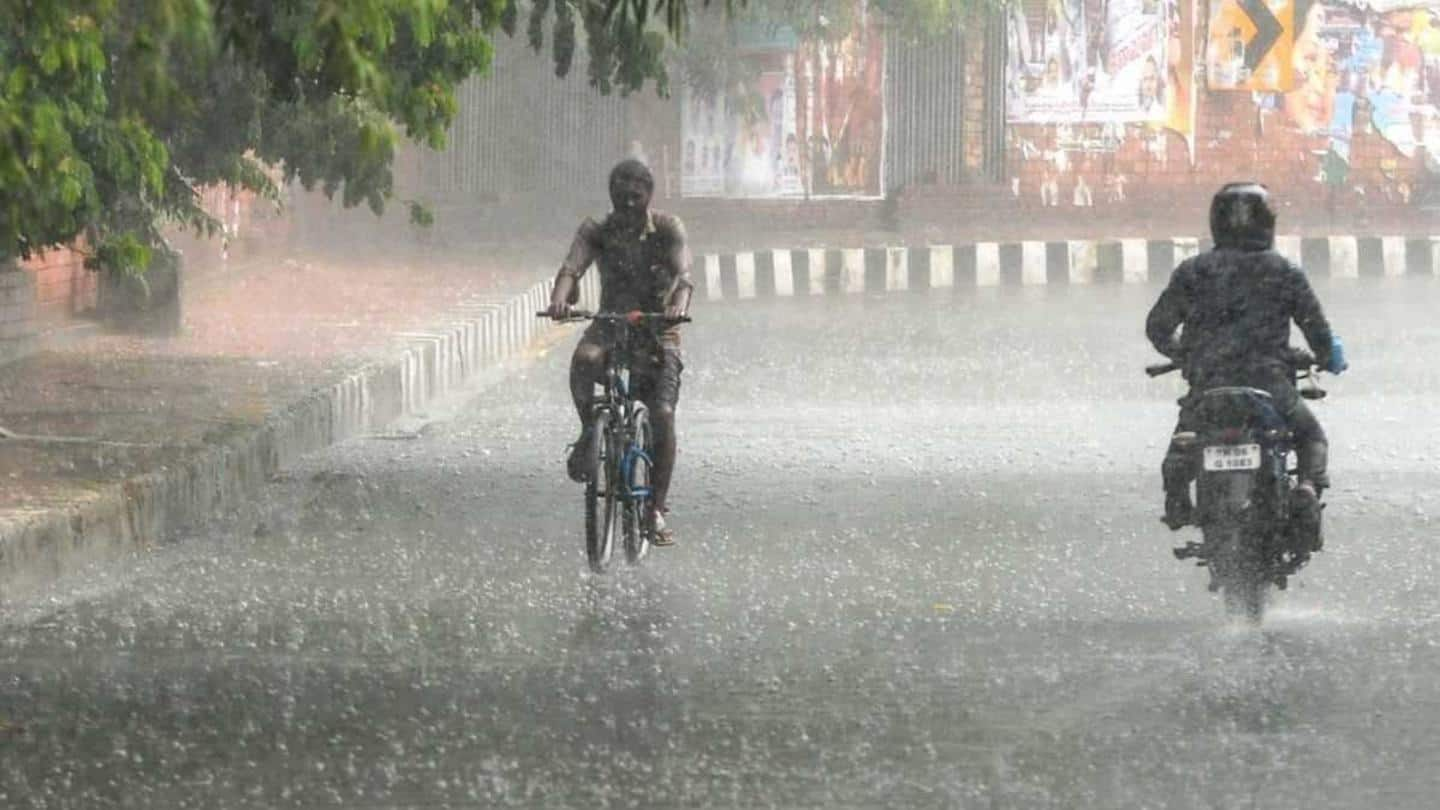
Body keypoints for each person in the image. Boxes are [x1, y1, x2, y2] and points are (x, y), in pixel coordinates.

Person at [1146, 183, 1348, 549]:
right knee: (1311, 436)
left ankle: (1177, 499)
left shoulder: (1193, 271)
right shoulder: (1284, 271)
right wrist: (1329, 357)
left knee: (1182, 443)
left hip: (1209, 385)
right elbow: (1318, 331)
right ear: (1268, 223)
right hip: (1270, 384)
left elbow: (1158, 327)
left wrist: (1183, 354)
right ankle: (1305, 488)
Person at [545, 159, 694, 546]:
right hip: (610, 323)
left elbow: (683, 276)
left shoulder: (668, 229)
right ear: (610, 196)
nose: (628, 205)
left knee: (661, 413)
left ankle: (655, 510)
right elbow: (570, 270)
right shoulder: (597, 230)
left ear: (649, 197)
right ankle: (587, 434)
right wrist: (560, 300)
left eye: (635, 197)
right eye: (620, 196)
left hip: (658, 329)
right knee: (584, 360)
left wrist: (676, 306)